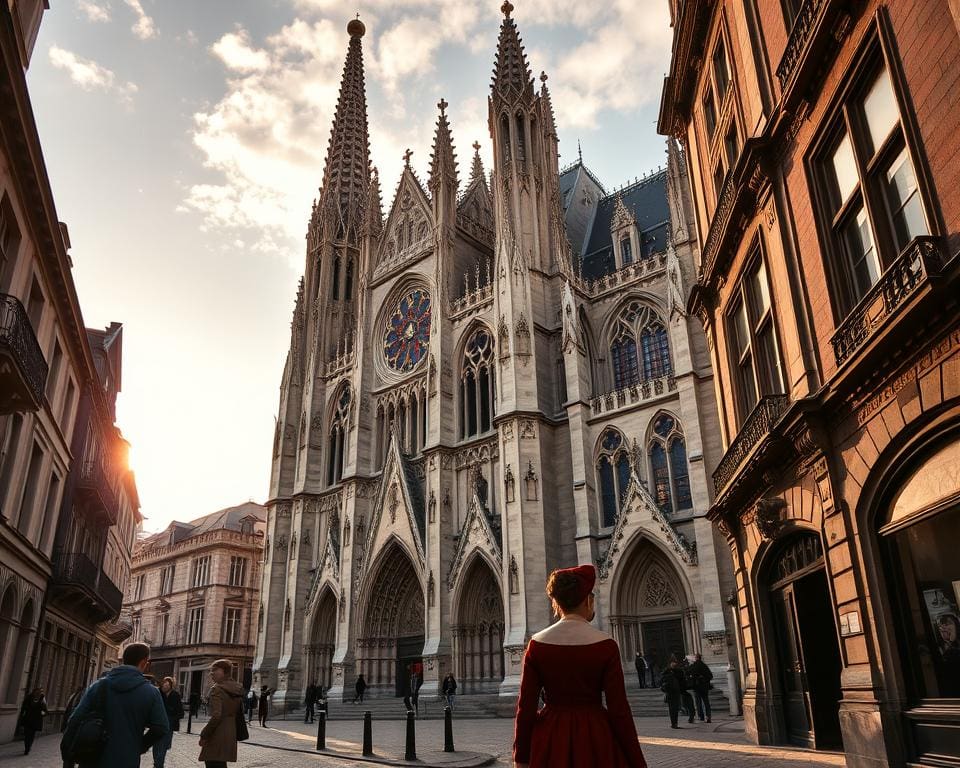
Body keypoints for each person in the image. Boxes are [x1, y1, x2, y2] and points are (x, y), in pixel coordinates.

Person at [513, 564, 647, 768]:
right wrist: (637, 762)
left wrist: (521, 758)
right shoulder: (606, 645)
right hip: (595, 736)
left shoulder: (536, 645)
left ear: (556, 603)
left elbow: (526, 709)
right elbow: (619, 711)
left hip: (550, 737)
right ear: (588, 600)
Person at [61, 642, 168, 768]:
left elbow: (75, 719)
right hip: (127, 760)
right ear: (144, 662)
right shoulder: (151, 692)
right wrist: (140, 746)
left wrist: (67, 756)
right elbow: (161, 727)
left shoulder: (99, 686)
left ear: (123, 660)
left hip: (92, 758)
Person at [198, 659, 244, 768]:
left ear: (225, 672)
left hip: (217, 733)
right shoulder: (237, 688)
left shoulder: (217, 689)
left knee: (212, 763)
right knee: (220, 764)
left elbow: (217, 715)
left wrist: (204, 734)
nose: (211, 673)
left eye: (215, 670)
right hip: (230, 732)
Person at [153, 677, 183, 768]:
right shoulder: (158, 693)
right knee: (156, 745)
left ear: (171, 686)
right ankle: (157, 764)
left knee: (163, 745)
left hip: (169, 724)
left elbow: (180, 712)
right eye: (163, 684)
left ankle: (158, 765)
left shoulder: (175, 695)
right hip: (157, 723)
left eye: (167, 685)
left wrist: (172, 718)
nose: (164, 687)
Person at [660, 657, 688, 729]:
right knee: (672, 709)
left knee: (675, 708)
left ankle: (675, 723)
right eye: (672, 662)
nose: (674, 663)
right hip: (669, 692)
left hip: (676, 692)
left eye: (675, 662)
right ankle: (673, 723)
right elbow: (661, 681)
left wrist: (682, 688)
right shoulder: (666, 671)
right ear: (670, 663)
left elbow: (682, 681)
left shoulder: (679, 671)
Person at [19, 687, 48, 755]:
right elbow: (23, 708)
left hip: (36, 720)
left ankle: (28, 747)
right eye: (37, 691)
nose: (38, 693)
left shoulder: (42, 700)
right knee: (26, 735)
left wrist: (42, 713)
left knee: (31, 735)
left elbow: (45, 711)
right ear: (34, 692)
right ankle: (27, 747)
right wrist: (22, 716)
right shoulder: (28, 698)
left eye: (39, 692)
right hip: (28, 719)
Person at [687, 653, 713, 723]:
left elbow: (688, 673)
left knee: (698, 702)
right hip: (704, 687)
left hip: (697, 687)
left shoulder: (694, 666)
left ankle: (700, 716)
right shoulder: (704, 666)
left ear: (696, 658)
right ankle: (708, 716)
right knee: (706, 702)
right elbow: (710, 676)